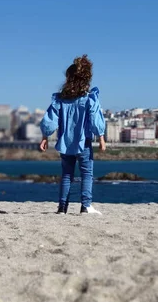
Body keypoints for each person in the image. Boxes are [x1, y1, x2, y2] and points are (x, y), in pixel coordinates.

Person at [39, 54, 106, 215]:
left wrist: (45, 137)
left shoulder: (60, 99)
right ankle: (86, 206)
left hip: (65, 142)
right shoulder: (89, 98)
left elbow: (49, 120)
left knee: (67, 175)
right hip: (84, 142)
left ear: (68, 79)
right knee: (87, 174)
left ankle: (62, 208)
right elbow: (96, 119)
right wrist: (102, 138)